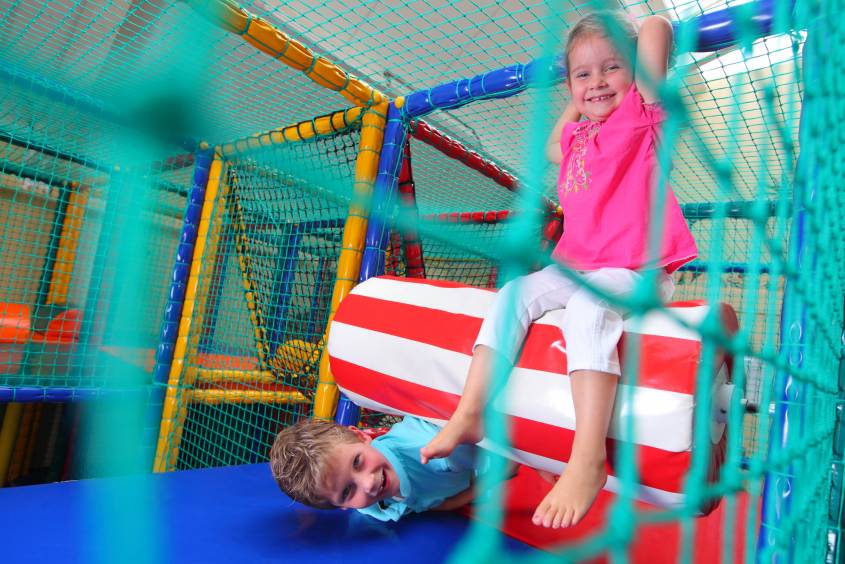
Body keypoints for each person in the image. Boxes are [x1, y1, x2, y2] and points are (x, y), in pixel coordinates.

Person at [420, 12, 697, 529]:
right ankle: (470, 410)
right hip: (578, 266)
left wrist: (621, 62)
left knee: (589, 310)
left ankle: (587, 456)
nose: (597, 83)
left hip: (635, 269)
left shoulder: (641, 117)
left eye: (611, 69)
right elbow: (553, 143)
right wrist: (584, 86)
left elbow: (659, 27)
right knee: (514, 293)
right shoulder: (576, 143)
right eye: (582, 75)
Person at [269, 416, 484, 521]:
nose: (369, 483)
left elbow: (489, 445)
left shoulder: (427, 446)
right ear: (342, 506)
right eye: (346, 491)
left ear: (361, 436)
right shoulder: (370, 506)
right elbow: (434, 504)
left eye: (357, 462)